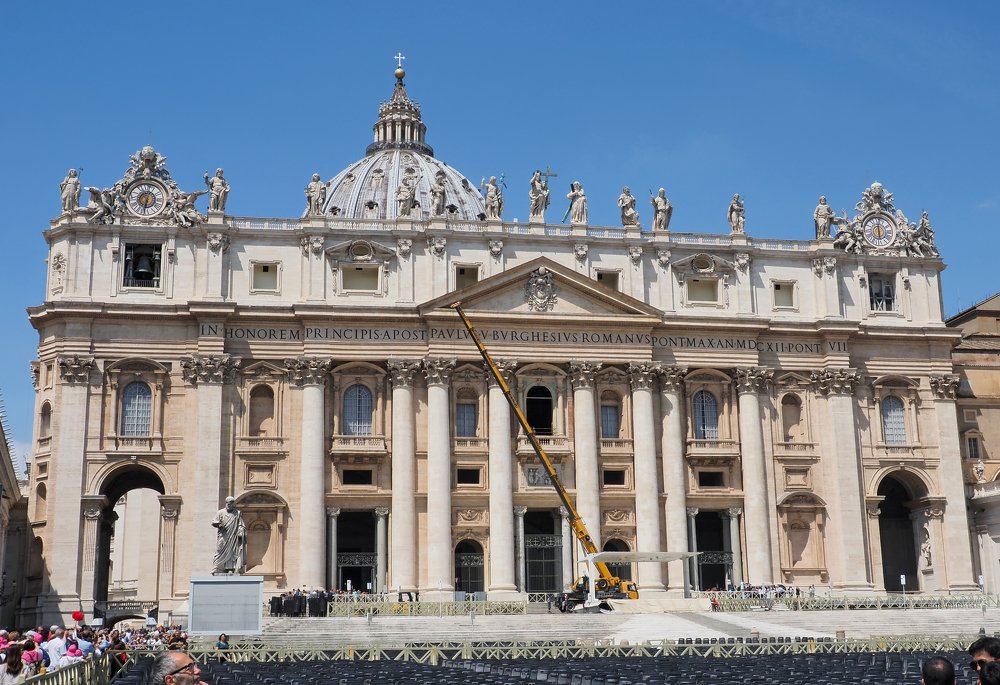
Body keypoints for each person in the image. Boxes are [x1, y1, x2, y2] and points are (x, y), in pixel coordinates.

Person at [211, 496, 246, 575]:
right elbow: (214, 521)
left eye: (232, 503)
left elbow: (241, 524)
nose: (230, 505)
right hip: (223, 536)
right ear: (226, 503)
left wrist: (241, 530)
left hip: (233, 536)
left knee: (232, 552)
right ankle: (217, 568)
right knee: (219, 550)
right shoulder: (220, 512)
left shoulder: (237, 513)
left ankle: (230, 568)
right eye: (229, 503)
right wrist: (219, 524)